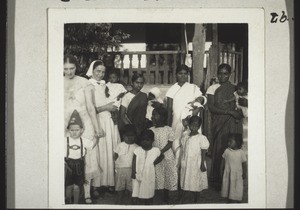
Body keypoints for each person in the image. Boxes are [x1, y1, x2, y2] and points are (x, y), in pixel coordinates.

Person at [64, 54, 103, 204]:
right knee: (67, 155)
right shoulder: (57, 81)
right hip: (65, 123)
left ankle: (87, 193)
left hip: (85, 123)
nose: (69, 72)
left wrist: (97, 127)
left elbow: (91, 107)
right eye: (66, 69)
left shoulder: (85, 83)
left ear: (77, 67)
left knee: (87, 157)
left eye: (72, 68)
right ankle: (67, 193)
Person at [86, 60, 121, 196]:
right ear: (92, 70)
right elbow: (87, 108)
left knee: (109, 150)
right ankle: (96, 185)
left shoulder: (105, 85)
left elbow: (109, 100)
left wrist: (113, 110)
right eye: (97, 71)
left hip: (108, 121)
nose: (100, 74)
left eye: (103, 72)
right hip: (96, 121)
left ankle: (108, 182)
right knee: (98, 152)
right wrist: (106, 107)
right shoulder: (88, 85)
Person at [206, 63, 243, 190]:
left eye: (225, 73)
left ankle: (231, 182)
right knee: (219, 148)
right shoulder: (212, 88)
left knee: (232, 149)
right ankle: (216, 179)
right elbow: (211, 107)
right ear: (217, 74)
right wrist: (229, 112)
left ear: (230, 74)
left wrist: (238, 113)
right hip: (219, 122)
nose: (222, 76)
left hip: (233, 123)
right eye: (220, 73)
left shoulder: (234, 88)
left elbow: (240, 104)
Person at [165, 64, 207, 167]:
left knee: (192, 146)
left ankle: (191, 172)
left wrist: (197, 106)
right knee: (177, 146)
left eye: (185, 74)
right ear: (176, 75)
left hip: (192, 121)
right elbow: (169, 109)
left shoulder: (193, 87)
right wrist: (168, 126)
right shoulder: (172, 89)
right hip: (177, 121)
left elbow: (202, 99)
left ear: (188, 75)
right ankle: (177, 174)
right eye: (180, 74)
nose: (183, 76)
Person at [65, 110, 98, 204]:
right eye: (72, 130)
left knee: (77, 185)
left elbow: (92, 145)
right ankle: (68, 201)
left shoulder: (84, 140)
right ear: (68, 130)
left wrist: (97, 137)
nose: (74, 132)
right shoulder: (65, 140)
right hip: (68, 165)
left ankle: (76, 202)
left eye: (77, 130)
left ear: (82, 130)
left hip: (79, 164)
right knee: (68, 185)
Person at [149, 106, 178, 204]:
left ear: (162, 117)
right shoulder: (151, 130)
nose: (152, 117)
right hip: (156, 158)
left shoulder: (168, 129)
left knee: (169, 176)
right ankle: (159, 199)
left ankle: (169, 198)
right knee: (158, 177)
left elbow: (170, 143)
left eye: (155, 115)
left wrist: (160, 152)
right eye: (152, 115)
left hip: (167, 157)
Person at [180, 116, 209, 203]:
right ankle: (184, 195)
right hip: (187, 162)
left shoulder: (201, 138)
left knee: (196, 180)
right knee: (186, 177)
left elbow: (204, 150)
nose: (194, 127)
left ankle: (196, 198)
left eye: (196, 125)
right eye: (192, 124)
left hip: (196, 163)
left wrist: (202, 163)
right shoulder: (185, 136)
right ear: (189, 125)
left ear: (199, 126)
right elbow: (183, 149)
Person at [131, 129, 164, 205]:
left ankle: (149, 204)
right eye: (143, 140)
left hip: (149, 175)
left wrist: (155, 162)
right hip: (138, 174)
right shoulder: (138, 150)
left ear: (152, 140)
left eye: (147, 140)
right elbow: (134, 161)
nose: (144, 142)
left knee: (149, 191)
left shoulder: (155, 150)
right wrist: (133, 171)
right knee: (138, 190)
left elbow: (162, 156)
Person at [113, 124, 139, 204]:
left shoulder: (137, 147)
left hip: (131, 170)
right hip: (120, 169)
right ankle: (119, 200)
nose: (130, 138)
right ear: (123, 136)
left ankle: (130, 201)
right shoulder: (119, 145)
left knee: (131, 187)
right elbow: (115, 156)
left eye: (132, 135)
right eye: (127, 136)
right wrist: (116, 165)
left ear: (135, 136)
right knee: (120, 186)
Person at [120, 74, 148, 142]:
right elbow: (122, 115)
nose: (139, 85)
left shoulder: (144, 96)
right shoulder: (126, 96)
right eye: (137, 83)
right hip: (130, 127)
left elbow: (144, 112)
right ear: (132, 83)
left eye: (141, 83)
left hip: (142, 127)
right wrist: (131, 128)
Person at [220, 133, 247, 203]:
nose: (228, 143)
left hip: (237, 174)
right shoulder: (227, 151)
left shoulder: (241, 152)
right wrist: (221, 169)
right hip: (228, 172)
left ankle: (237, 197)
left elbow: (244, 163)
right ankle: (230, 197)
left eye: (230, 141)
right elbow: (223, 160)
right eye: (228, 141)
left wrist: (244, 172)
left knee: (237, 186)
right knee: (228, 185)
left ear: (237, 142)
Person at [224, 82, 248, 155]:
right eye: (237, 89)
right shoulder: (237, 94)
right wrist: (227, 101)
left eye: (240, 89)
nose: (238, 91)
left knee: (244, 114)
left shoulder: (248, 96)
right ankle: (238, 119)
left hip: (244, 109)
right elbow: (233, 98)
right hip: (238, 108)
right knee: (237, 113)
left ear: (245, 91)